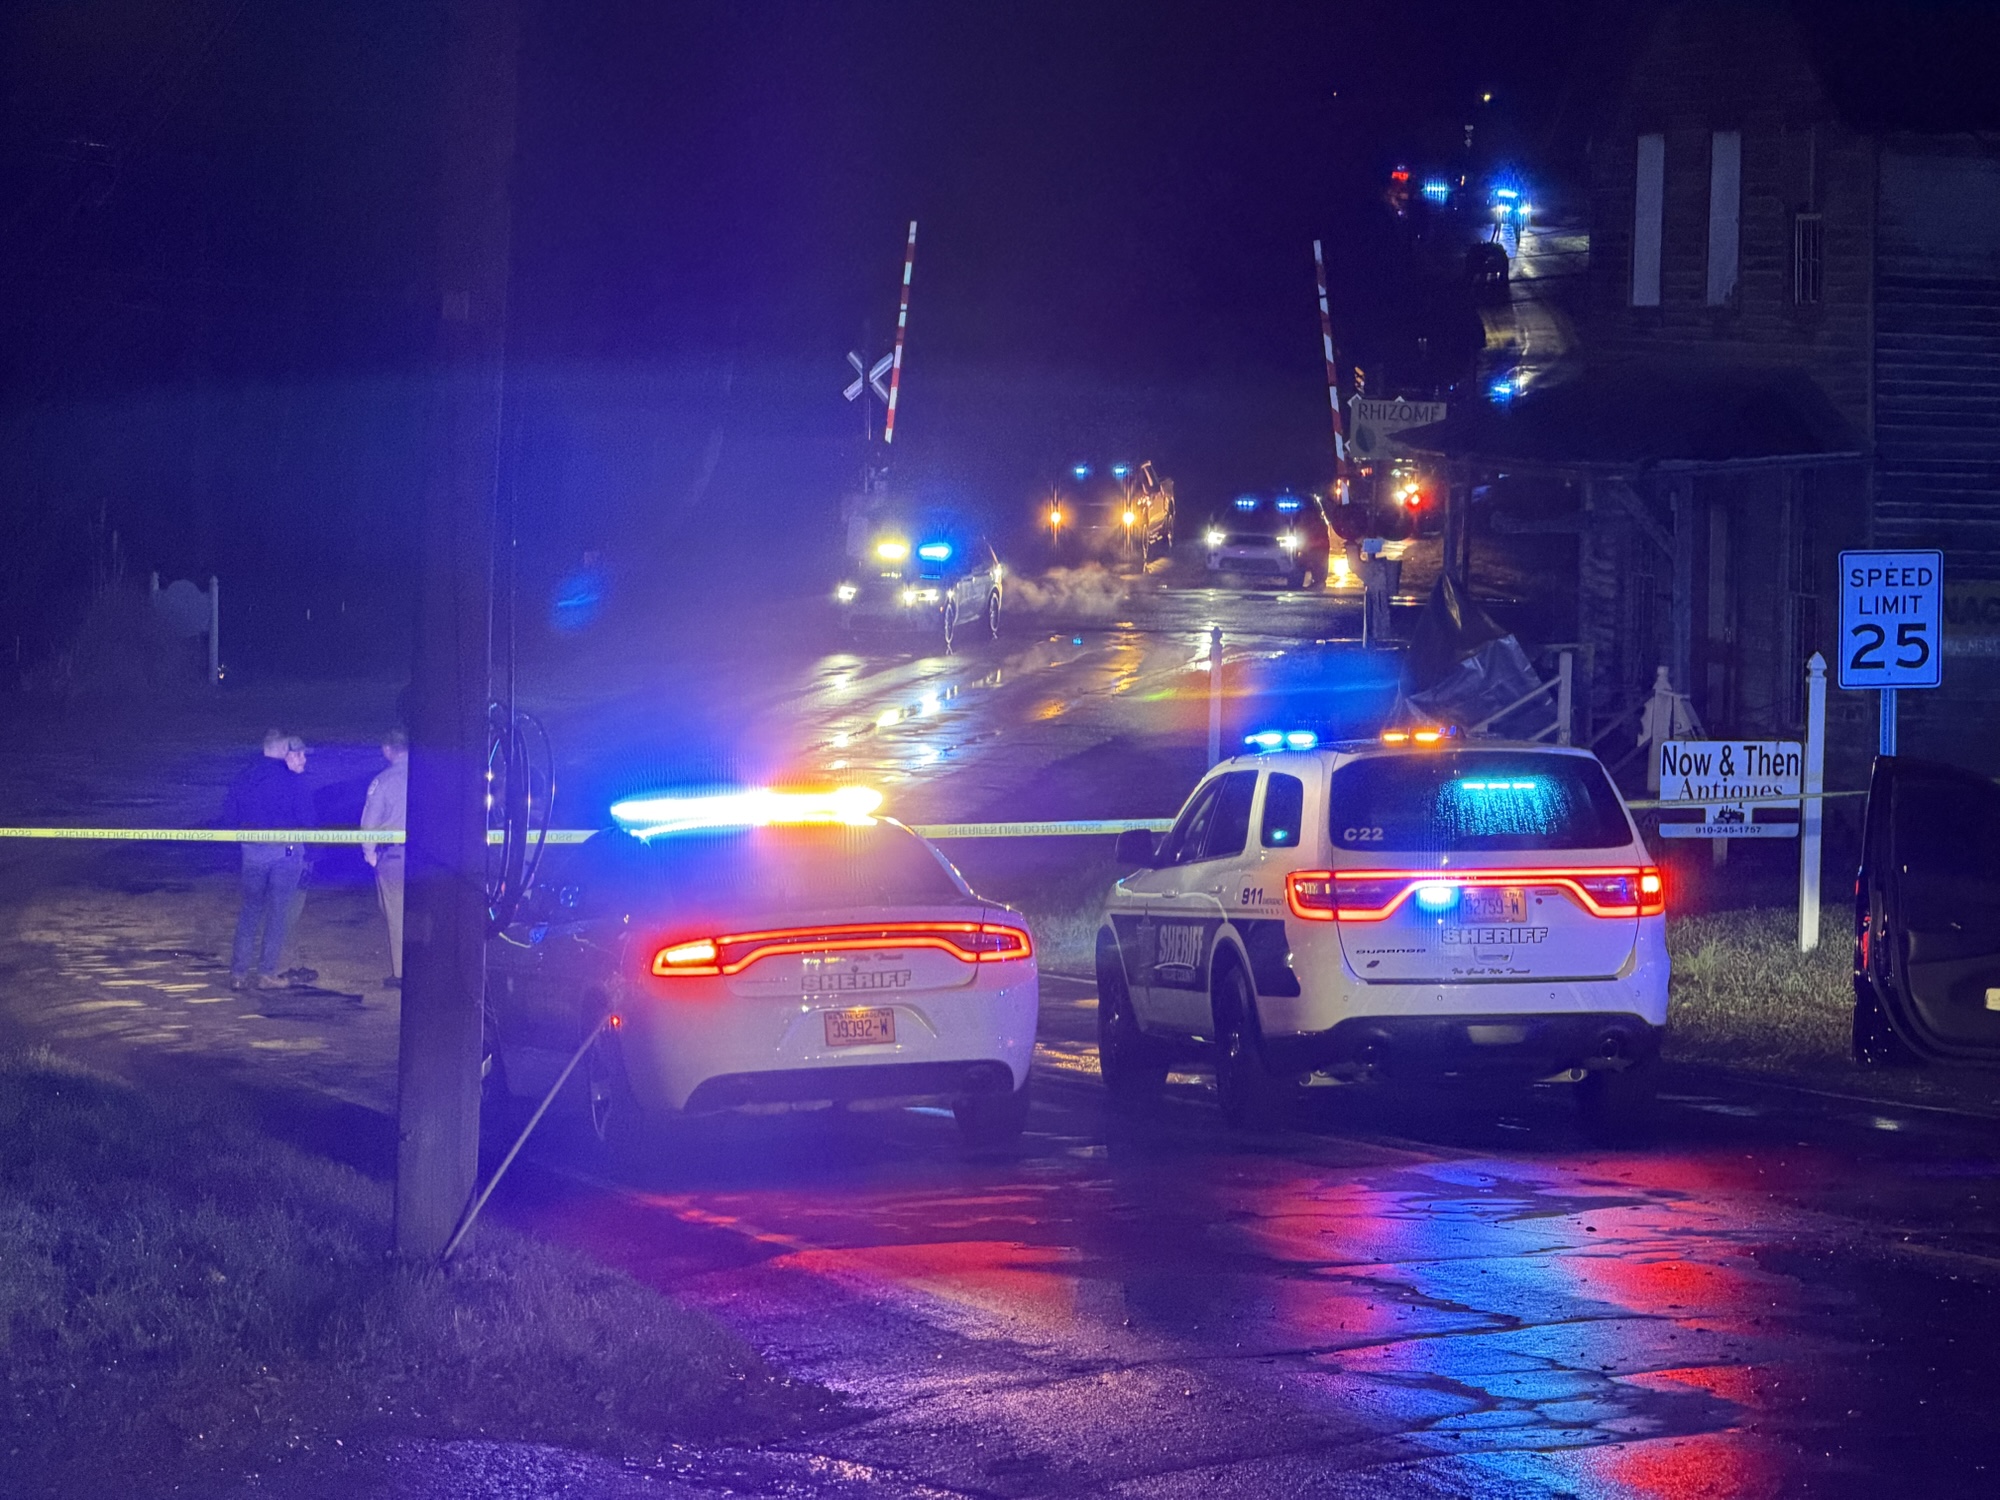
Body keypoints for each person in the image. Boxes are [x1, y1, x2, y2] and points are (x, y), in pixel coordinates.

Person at [222, 729, 314, 991]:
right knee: (277, 913)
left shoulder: (244, 776)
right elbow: (307, 817)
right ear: (284, 750)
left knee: (250, 910)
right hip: (285, 854)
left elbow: (229, 815)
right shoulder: (293, 779)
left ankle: (238, 974)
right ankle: (266, 973)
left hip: (251, 853)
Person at [361, 728, 409, 991]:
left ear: (387, 750)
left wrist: (369, 853)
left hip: (394, 857)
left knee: (396, 913)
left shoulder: (384, 781)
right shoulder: (429, 778)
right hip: (428, 858)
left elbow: (369, 823)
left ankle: (401, 973)